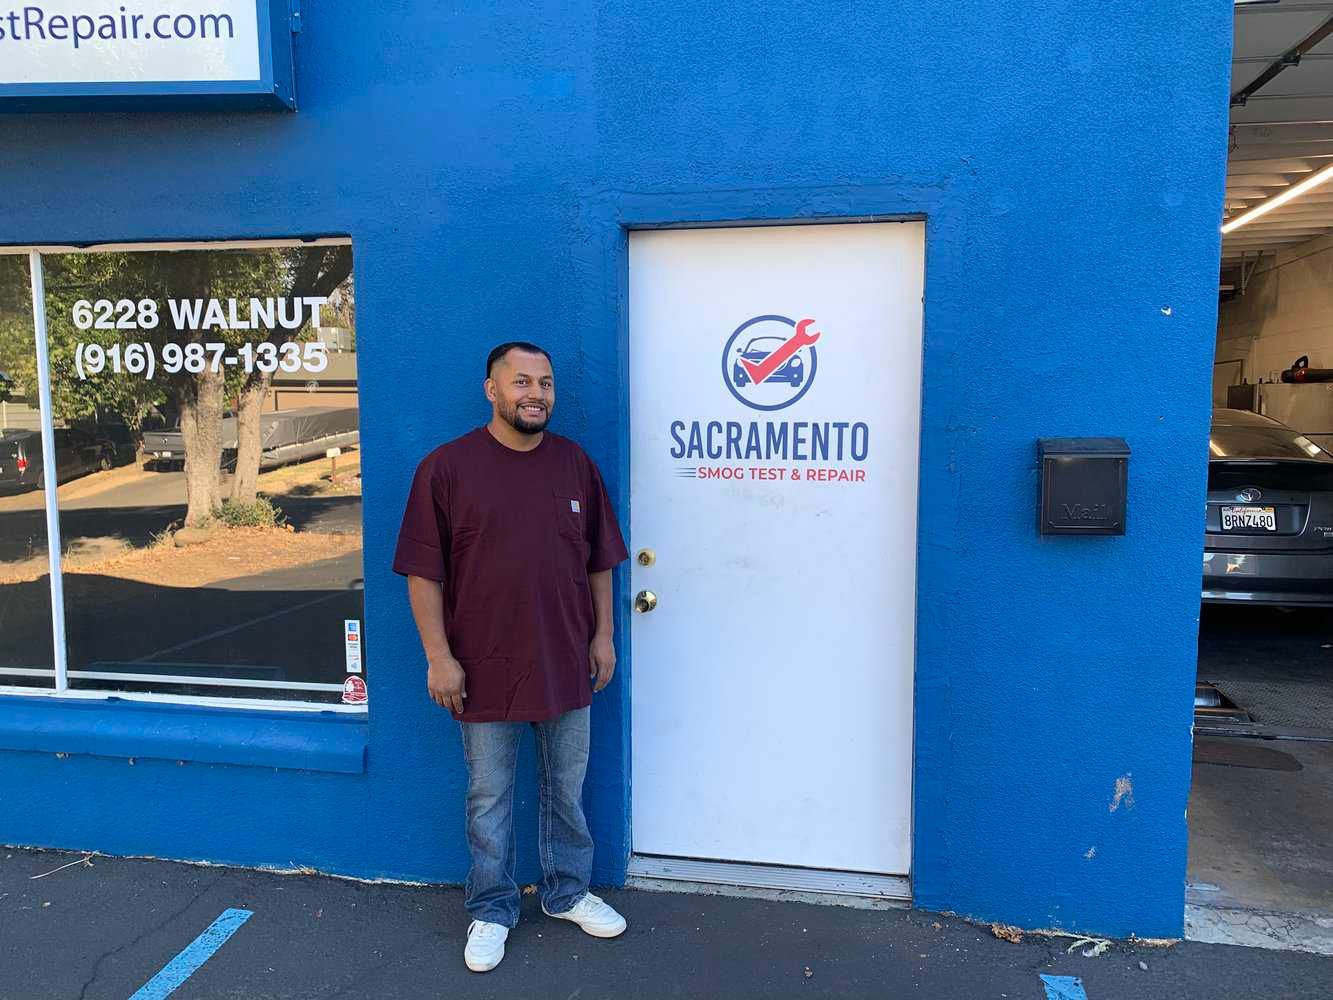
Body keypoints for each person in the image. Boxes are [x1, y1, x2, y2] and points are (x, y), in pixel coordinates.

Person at [393, 341, 629, 973]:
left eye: (545, 383)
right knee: (489, 797)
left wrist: (603, 636)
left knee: (566, 790)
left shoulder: (574, 465)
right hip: (483, 666)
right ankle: (492, 908)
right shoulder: (446, 469)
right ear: (491, 390)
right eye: (521, 381)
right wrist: (439, 658)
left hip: (566, 661)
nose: (536, 394)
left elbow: (601, 560)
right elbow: (422, 574)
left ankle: (567, 892)